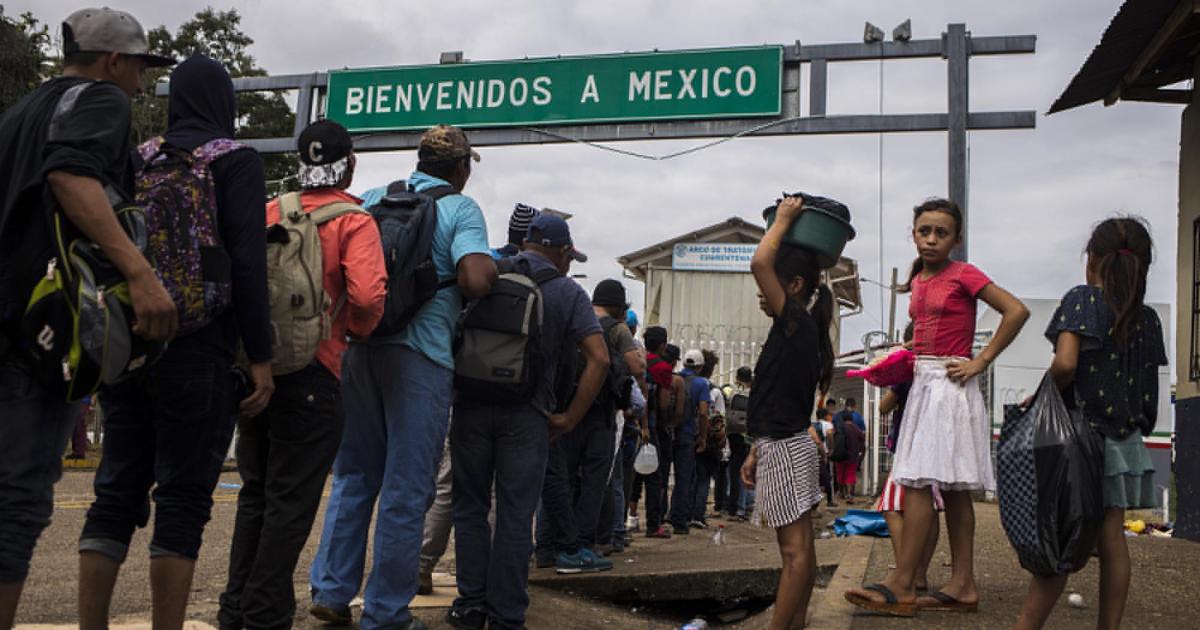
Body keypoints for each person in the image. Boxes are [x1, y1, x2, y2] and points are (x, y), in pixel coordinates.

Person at [78, 54, 275, 629]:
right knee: (184, 501)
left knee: (114, 491)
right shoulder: (234, 161)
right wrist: (259, 357)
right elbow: (246, 267)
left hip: (130, 341)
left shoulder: (138, 157)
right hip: (199, 347)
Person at [0, 9, 176, 625]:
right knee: (17, 500)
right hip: (39, 334)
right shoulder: (101, 102)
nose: (141, 83)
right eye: (140, 68)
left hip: (8, 316)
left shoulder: (21, 111)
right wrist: (140, 273)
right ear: (112, 61)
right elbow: (72, 174)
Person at [309, 124, 496, 630]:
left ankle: (330, 590)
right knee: (408, 487)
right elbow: (476, 278)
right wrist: (492, 266)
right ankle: (386, 612)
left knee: (353, 476)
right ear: (462, 168)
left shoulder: (372, 197)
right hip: (421, 354)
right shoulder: (460, 209)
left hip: (358, 347)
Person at [218, 120, 387, 629]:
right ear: (349, 164)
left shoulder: (272, 210)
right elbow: (367, 297)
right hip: (315, 372)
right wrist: (351, 332)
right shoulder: (355, 221)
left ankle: (235, 610)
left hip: (260, 369)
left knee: (256, 494)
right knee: (291, 504)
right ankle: (266, 617)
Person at [846, 198, 1029, 617]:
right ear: (913, 233)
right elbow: (930, 328)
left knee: (914, 483)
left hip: (948, 384)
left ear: (956, 239)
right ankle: (962, 584)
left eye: (941, 233)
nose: (931, 239)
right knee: (952, 488)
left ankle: (903, 582)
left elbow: (1016, 311)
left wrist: (981, 361)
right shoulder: (919, 279)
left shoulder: (963, 273)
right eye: (924, 231)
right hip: (925, 381)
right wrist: (905, 353)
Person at [447, 214, 608, 630]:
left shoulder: (488, 274)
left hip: (470, 409)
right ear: (559, 251)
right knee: (517, 515)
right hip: (528, 416)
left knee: (470, 509)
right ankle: (506, 615)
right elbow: (600, 358)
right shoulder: (566, 292)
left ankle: (470, 605)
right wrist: (571, 417)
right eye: (569, 255)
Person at [1015, 218, 1166, 630]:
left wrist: (1044, 392)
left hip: (1079, 441)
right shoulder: (1148, 319)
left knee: (1061, 536)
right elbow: (1148, 391)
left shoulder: (1082, 299)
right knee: (1112, 537)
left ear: (1092, 261)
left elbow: (1065, 364)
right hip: (1125, 441)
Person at [740, 196, 836, 630]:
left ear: (793, 286)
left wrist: (781, 221)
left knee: (794, 553)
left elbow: (761, 261)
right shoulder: (803, 330)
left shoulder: (795, 322)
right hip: (786, 443)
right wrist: (757, 449)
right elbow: (781, 401)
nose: (764, 292)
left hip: (787, 447)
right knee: (802, 550)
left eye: (772, 285)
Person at [538, 278, 641, 572]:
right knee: (594, 483)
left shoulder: (574, 318)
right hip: (598, 415)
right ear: (621, 305)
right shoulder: (616, 328)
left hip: (564, 410)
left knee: (560, 481)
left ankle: (546, 548)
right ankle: (580, 546)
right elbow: (636, 367)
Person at [630, 326, 673, 538]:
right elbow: (664, 402)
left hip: (632, 421)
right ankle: (654, 524)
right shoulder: (663, 367)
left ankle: (628, 520)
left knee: (633, 474)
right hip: (652, 425)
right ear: (663, 345)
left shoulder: (638, 360)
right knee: (655, 477)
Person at [667, 349, 710, 535]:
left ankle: (663, 516)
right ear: (700, 367)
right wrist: (703, 437)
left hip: (668, 432)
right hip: (687, 434)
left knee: (661, 478)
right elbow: (702, 412)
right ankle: (679, 520)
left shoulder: (673, 378)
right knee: (684, 478)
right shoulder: (701, 383)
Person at [690, 350, 725, 528]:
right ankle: (698, 513)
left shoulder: (688, 384)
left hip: (689, 434)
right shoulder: (714, 391)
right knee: (704, 478)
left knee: (690, 476)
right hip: (708, 440)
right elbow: (719, 417)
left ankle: (685, 511)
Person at [722, 367, 753, 520]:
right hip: (747, 437)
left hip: (733, 434)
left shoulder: (731, 391)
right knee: (746, 471)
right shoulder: (754, 394)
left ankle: (732, 507)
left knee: (733, 471)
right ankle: (743, 507)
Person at [835, 410, 865, 502]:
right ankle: (849, 495)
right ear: (852, 419)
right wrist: (860, 452)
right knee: (850, 474)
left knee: (840, 474)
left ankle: (841, 493)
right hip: (852, 456)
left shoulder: (840, 427)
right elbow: (862, 440)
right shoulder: (856, 429)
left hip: (840, 455)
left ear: (843, 419)